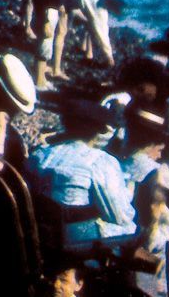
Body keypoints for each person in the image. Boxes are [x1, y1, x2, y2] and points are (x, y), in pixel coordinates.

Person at [27, 99, 136, 250]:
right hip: (77, 244)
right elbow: (121, 216)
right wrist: (129, 191)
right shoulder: (99, 161)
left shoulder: (38, 155)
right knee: (134, 231)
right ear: (99, 130)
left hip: (40, 236)